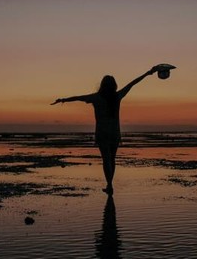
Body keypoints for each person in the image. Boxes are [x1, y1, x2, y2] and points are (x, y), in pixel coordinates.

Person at [51, 67, 157, 195]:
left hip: (102, 133)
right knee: (112, 159)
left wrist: (63, 100)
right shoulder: (117, 96)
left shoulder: (96, 97)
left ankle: (109, 185)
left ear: (102, 85)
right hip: (115, 133)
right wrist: (148, 72)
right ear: (114, 85)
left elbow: (78, 97)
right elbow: (133, 83)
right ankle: (109, 184)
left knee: (106, 159)